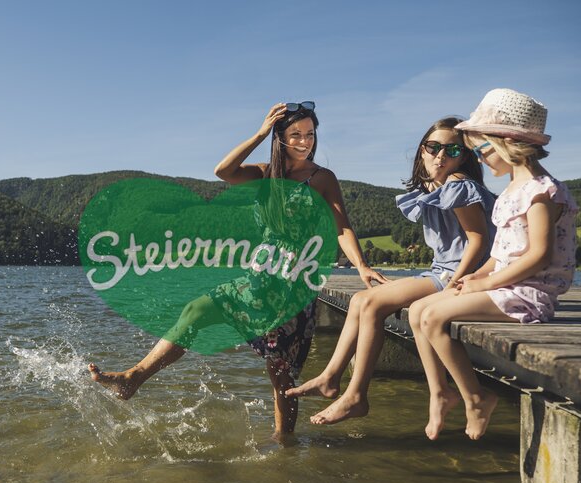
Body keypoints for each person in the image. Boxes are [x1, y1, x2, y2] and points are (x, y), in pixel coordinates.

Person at [88, 102, 385, 438]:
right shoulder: (264, 174)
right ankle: (134, 377)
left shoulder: (322, 178)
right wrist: (260, 133)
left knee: (280, 371)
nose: (305, 142)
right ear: (281, 138)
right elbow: (223, 170)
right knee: (196, 309)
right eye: (296, 135)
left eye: (310, 135)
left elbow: (341, 226)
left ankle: (283, 439)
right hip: (258, 277)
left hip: (294, 285)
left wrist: (361, 265)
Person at [286, 117, 497, 426]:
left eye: (452, 149)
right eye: (434, 147)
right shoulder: (432, 187)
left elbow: (478, 242)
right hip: (441, 271)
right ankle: (330, 377)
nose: (441, 156)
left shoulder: (457, 185)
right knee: (360, 300)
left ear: (464, 155)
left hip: (463, 275)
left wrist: (455, 282)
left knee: (372, 305)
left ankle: (356, 395)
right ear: (422, 151)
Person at [409, 88, 578, 440]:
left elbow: (538, 255)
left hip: (530, 292)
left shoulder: (541, 191)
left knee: (434, 316)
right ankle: (440, 394)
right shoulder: (512, 190)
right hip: (505, 285)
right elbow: (500, 255)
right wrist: (471, 277)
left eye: (483, 150)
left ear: (506, 142)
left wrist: (486, 284)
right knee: (417, 311)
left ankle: (476, 398)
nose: (481, 159)